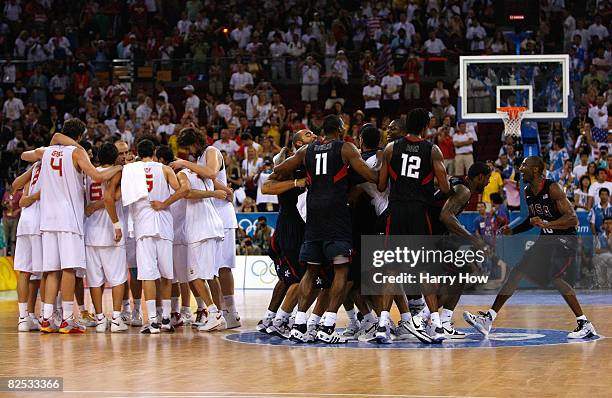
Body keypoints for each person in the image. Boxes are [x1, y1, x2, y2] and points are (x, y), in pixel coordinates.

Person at [464, 156, 598, 339]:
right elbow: (530, 220)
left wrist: (546, 224)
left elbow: (572, 219)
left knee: (554, 276)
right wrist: (513, 230)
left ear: (535, 170)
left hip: (565, 239)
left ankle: (585, 323)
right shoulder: (527, 191)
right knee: (517, 272)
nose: (520, 168)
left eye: (524, 165)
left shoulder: (552, 188)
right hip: (547, 240)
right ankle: (488, 318)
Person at [275, 114, 378, 343]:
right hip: (336, 215)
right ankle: (328, 327)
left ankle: (299, 324)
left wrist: (295, 178)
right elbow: (370, 175)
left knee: (311, 271)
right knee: (341, 271)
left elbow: (279, 170)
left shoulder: (306, 151)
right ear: (340, 129)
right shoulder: (346, 148)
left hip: (313, 215)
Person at [21, 119, 122, 333]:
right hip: (69, 218)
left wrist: (54, 142)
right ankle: (67, 318)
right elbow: (97, 176)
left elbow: (24, 155)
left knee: (51, 270)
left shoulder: (46, 151)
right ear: (78, 137)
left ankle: (46, 318)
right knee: (68, 268)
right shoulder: (77, 153)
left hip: (47, 218)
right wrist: (119, 167)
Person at [376, 108, 450, 343]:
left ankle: (382, 324)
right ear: (425, 127)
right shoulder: (432, 150)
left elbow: (380, 186)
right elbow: (446, 188)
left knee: (391, 270)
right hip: (419, 213)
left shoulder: (390, 149)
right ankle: (436, 326)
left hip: (396, 213)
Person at [170, 128, 240, 329]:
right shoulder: (199, 159)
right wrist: (225, 189)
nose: (188, 152)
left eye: (188, 147)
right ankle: (218, 313)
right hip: (208, 214)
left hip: (220, 216)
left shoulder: (211, 151)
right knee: (212, 271)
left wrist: (183, 163)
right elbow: (210, 180)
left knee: (223, 266)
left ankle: (230, 312)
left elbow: (210, 172)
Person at [256, 129, 314, 337]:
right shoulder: (290, 165)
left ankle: (270, 317)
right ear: (298, 143)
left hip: (297, 228)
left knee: (286, 279)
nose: (314, 137)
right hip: (290, 228)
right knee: (301, 279)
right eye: (309, 135)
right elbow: (266, 187)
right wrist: (295, 183)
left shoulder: (310, 162)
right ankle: (282, 320)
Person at [427, 163, 491, 339]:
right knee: (462, 272)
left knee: (461, 272)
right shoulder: (464, 191)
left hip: (432, 233)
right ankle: (430, 319)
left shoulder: (455, 181)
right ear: (479, 177)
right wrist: (473, 239)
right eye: (487, 179)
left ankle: (437, 320)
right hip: (431, 235)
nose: (487, 183)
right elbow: (446, 216)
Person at [130, 139, 186, 334]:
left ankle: (152, 320)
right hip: (163, 224)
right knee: (166, 274)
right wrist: (165, 203)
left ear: (137, 152)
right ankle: (165, 319)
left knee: (147, 274)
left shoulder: (132, 170)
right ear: (154, 152)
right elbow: (183, 189)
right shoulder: (164, 169)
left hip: (143, 225)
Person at [84, 143, 128, 333]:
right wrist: (116, 224)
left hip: (90, 232)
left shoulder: (88, 174)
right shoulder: (117, 172)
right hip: (110, 231)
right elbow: (112, 197)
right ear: (115, 158)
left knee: (95, 280)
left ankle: (100, 319)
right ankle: (117, 319)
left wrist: (93, 206)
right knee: (118, 279)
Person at [12, 162, 42, 332]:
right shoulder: (51, 168)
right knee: (44, 273)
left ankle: (25, 316)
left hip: (24, 224)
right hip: (39, 224)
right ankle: (47, 315)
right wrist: (38, 196)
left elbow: (21, 197)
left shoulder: (36, 168)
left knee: (26, 272)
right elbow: (24, 200)